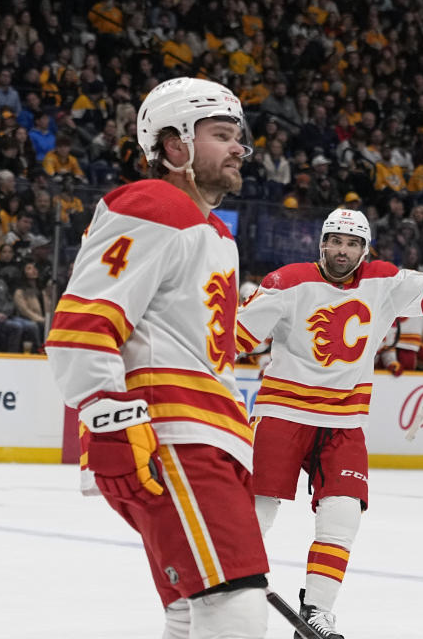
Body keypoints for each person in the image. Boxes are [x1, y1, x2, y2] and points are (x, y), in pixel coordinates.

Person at [45, 77, 271, 639]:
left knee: (190, 610)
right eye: (222, 135)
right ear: (175, 147)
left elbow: (200, 337)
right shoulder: (154, 203)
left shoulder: (212, 230)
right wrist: (110, 416)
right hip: (174, 436)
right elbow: (82, 325)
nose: (239, 147)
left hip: (203, 438)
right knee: (233, 607)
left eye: (238, 136)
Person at [235, 208, 423, 639]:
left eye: (352, 244)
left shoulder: (384, 282)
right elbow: (230, 338)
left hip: (344, 421)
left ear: (364, 249)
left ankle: (316, 609)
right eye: (335, 241)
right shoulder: (287, 282)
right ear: (321, 244)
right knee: (256, 512)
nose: (342, 250)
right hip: (284, 413)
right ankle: (231, 594)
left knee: (343, 515)